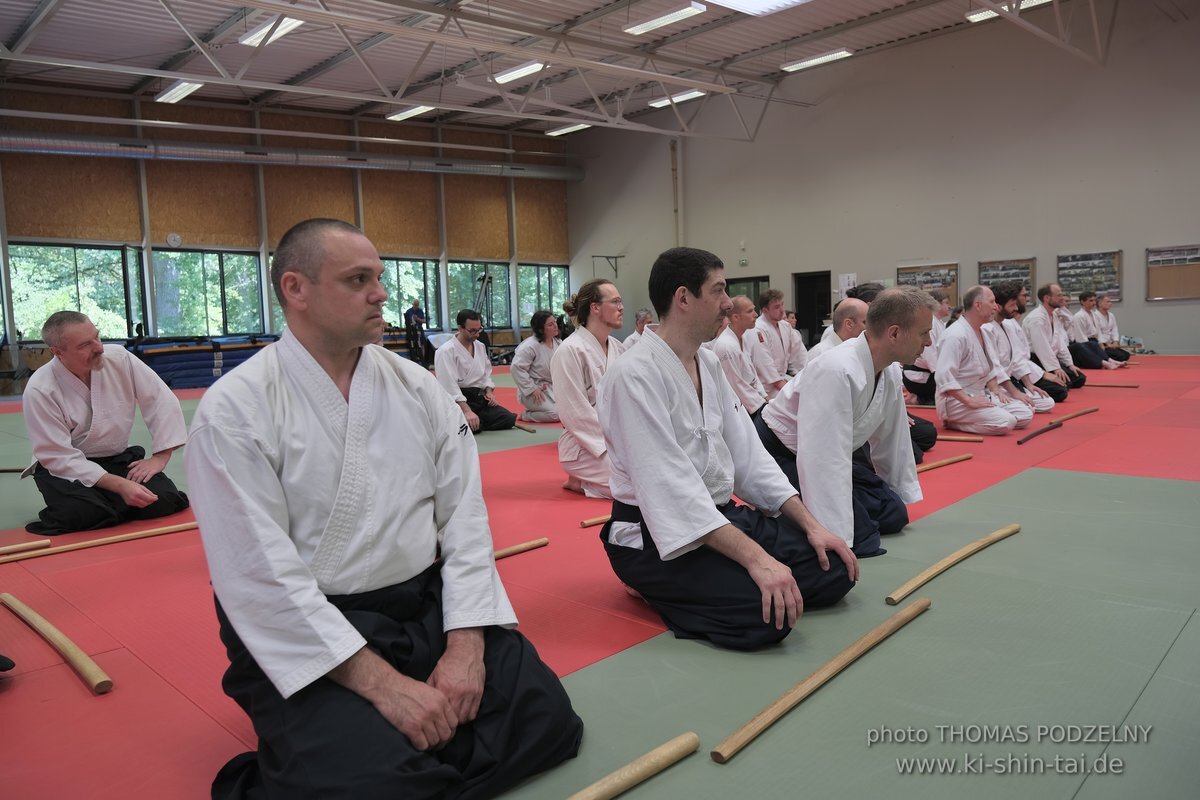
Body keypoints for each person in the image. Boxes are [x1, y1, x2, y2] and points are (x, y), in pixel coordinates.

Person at [185, 219, 582, 800]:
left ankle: (387, 749)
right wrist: (384, 687)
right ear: (296, 289)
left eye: (380, 276)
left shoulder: (417, 389)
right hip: (313, 629)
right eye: (359, 279)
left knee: (549, 722)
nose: (382, 293)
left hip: (422, 605)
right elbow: (258, 575)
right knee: (377, 784)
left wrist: (466, 646)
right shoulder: (235, 410)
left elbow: (466, 523)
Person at [597, 247, 858, 650]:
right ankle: (646, 581)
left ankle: (723, 572)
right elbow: (670, 487)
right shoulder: (633, 374)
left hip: (717, 516)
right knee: (766, 616)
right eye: (719, 292)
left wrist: (812, 525)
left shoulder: (708, 362)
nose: (727, 305)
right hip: (657, 533)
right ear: (683, 298)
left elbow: (750, 457)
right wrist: (756, 558)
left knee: (835, 568)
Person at [757, 288, 931, 558]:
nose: (929, 342)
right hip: (779, 454)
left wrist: (898, 490)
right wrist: (835, 532)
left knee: (894, 512)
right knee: (861, 540)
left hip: (828, 454)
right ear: (894, 333)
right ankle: (776, 517)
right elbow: (821, 457)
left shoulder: (890, 371)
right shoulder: (837, 369)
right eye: (924, 333)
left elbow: (891, 439)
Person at [21, 311, 189, 535]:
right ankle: (103, 501)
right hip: (65, 467)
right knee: (82, 513)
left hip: (116, 459)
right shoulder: (41, 388)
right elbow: (57, 455)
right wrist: (120, 485)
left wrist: (160, 457)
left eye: (97, 337)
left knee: (163, 500)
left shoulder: (119, 358)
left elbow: (159, 398)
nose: (99, 347)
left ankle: (108, 503)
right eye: (85, 345)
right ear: (58, 352)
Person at [550, 278, 625, 498]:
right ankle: (581, 480)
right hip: (586, 445)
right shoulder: (569, 350)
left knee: (656, 471)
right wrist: (611, 446)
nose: (621, 307)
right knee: (633, 486)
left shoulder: (618, 348)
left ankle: (584, 480)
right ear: (595, 308)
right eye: (616, 302)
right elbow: (574, 412)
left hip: (617, 439)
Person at [936, 286, 1034, 436]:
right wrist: (969, 401)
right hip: (957, 400)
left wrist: (996, 391)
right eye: (992, 302)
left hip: (981, 395)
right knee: (1007, 422)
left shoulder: (983, 331)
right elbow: (943, 376)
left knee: (1026, 413)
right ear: (978, 305)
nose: (996, 307)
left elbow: (991, 369)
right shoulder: (955, 335)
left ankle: (985, 415)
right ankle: (953, 422)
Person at [434, 309, 517, 432]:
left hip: (478, 399)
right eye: (472, 331)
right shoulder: (446, 351)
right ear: (460, 328)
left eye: (479, 329)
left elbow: (486, 374)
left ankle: (470, 423)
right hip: (457, 402)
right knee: (471, 424)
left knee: (508, 418)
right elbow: (448, 385)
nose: (477, 334)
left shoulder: (480, 346)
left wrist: (489, 392)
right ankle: (466, 422)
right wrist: (466, 411)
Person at [984, 281, 1056, 412]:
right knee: (1026, 410)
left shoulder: (1007, 326)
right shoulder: (987, 329)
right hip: (993, 385)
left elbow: (1017, 359)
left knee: (1047, 402)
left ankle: (1015, 401)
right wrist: (1015, 392)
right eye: (1012, 305)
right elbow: (994, 367)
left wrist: (1029, 385)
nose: (1016, 309)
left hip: (1009, 382)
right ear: (998, 307)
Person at [1023, 283, 1086, 392]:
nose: (1062, 298)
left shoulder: (1054, 315)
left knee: (1079, 378)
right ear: (1047, 298)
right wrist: (1055, 368)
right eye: (1059, 295)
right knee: (1061, 390)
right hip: (1035, 359)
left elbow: (1059, 342)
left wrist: (1069, 364)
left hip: (1049, 358)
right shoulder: (1037, 319)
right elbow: (1042, 348)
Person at [712, 296, 768, 418]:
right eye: (749, 311)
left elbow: (752, 375)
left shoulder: (744, 337)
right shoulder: (726, 346)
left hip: (752, 403)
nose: (755, 315)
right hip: (738, 410)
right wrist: (762, 406)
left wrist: (764, 396)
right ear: (735, 317)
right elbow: (736, 385)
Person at [751, 288, 807, 399]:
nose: (782, 310)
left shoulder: (785, 326)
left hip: (782, 378)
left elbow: (799, 353)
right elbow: (763, 362)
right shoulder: (758, 329)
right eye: (777, 307)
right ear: (765, 310)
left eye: (782, 305)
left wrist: (804, 375)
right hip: (766, 385)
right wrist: (782, 385)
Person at [510, 310, 560, 422]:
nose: (555, 326)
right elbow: (516, 368)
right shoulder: (530, 346)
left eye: (555, 322)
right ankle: (526, 415)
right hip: (534, 390)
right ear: (541, 329)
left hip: (553, 388)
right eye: (550, 324)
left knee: (570, 410)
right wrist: (532, 389)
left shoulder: (558, 343)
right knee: (555, 414)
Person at [902, 288, 950, 404]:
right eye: (946, 302)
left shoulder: (939, 323)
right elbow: (930, 355)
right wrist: (944, 375)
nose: (949, 306)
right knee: (949, 393)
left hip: (928, 372)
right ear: (937, 303)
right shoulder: (931, 323)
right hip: (918, 375)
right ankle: (918, 399)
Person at [1070, 292, 1124, 369]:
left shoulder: (1093, 314)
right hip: (1084, 344)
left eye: (1094, 300)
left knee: (1095, 344)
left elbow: (1098, 331)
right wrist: (1096, 345)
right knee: (1093, 345)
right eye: (1091, 301)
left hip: (1094, 341)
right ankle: (1105, 363)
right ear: (1082, 302)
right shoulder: (1079, 316)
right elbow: (1081, 338)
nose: (1094, 303)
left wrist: (1101, 343)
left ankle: (1110, 360)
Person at [1092, 293, 1130, 361]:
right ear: (1100, 303)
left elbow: (1114, 329)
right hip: (1101, 344)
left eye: (1110, 301)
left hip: (1110, 343)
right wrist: (1106, 343)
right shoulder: (1095, 316)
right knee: (1120, 356)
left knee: (1126, 355)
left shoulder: (1111, 315)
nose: (1110, 303)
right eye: (1108, 301)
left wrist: (1115, 341)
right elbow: (1098, 332)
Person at [403, 298, 428, 365]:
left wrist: (417, 319)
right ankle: (413, 359)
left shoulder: (420, 311)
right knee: (412, 345)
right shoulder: (409, 311)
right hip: (411, 330)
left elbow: (424, 321)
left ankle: (423, 360)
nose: (416, 306)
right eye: (415, 305)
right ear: (412, 304)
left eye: (417, 305)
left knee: (422, 344)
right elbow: (406, 322)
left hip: (419, 329)